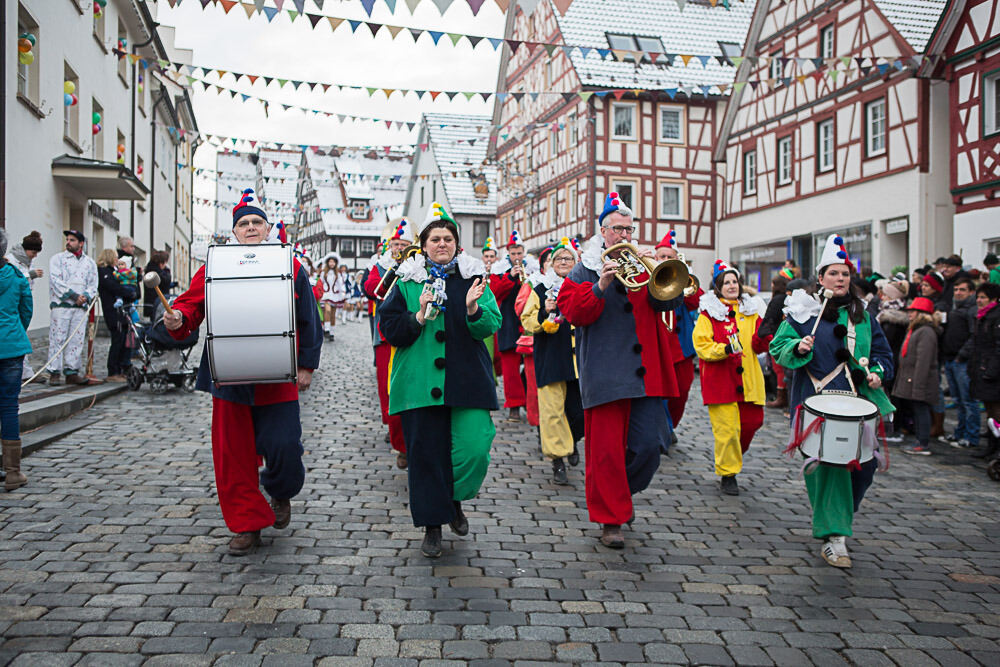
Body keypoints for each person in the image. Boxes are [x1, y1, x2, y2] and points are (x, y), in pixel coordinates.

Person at [163, 188, 323, 556]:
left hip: (278, 375)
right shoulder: (215, 265)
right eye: (243, 223)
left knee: (284, 446)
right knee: (233, 455)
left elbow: (308, 317)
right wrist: (178, 319)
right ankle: (247, 525)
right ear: (234, 232)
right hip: (229, 375)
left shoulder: (290, 264)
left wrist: (306, 365)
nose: (250, 228)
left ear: (267, 229)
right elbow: (190, 307)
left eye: (256, 222)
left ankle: (280, 491)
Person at [558, 193, 682, 549]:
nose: (625, 234)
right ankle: (610, 518)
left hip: (646, 373)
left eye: (629, 228)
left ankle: (619, 495)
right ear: (603, 231)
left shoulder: (642, 265)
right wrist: (601, 285)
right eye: (618, 229)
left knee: (650, 445)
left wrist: (658, 268)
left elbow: (670, 300)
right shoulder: (585, 268)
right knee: (607, 451)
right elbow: (574, 313)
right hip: (607, 373)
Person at [379, 202, 501, 558]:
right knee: (427, 456)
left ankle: (454, 498)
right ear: (424, 244)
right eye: (435, 239)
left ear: (457, 244)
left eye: (448, 238)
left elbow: (492, 324)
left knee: (475, 448)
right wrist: (417, 316)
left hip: (467, 380)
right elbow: (390, 329)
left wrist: (473, 309)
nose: (442, 244)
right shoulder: (406, 280)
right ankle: (432, 526)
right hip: (419, 382)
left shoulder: (474, 276)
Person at [770, 233, 894, 568]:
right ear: (821, 278)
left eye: (845, 274)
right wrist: (798, 347)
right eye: (833, 273)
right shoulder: (802, 311)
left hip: (859, 401)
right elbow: (777, 349)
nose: (840, 279)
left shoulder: (863, 316)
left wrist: (878, 372)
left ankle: (836, 515)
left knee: (864, 468)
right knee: (830, 467)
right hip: (817, 400)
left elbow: (883, 354)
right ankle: (835, 536)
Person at [693, 261, 769, 496]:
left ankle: (733, 459)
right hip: (721, 382)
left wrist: (766, 336)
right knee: (727, 432)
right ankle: (728, 473)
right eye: (726, 282)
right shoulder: (709, 314)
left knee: (752, 422)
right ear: (718, 287)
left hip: (749, 381)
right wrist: (724, 350)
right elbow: (702, 345)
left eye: (734, 281)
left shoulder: (751, 312)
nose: (732, 285)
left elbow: (759, 345)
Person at [520, 238, 584, 485]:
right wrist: (544, 312)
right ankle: (558, 461)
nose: (563, 262)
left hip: (580, 359)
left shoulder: (583, 285)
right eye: (558, 259)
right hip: (551, 356)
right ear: (550, 264)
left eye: (568, 258)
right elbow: (527, 321)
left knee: (578, 413)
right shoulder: (539, 289)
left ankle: (573, 440)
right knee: (552, 411)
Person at [364, 218, 414, 469]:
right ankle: (395, 432)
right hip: (385, 335)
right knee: (388, 386)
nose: (398, 248)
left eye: (403, 244)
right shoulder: (380, 265)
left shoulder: (417, 264)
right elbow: (372, 288)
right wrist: (393, 268)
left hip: (413, 333)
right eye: (395, 244)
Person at [653, 231, 702, 435]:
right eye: (662, 257)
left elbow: (695, 301)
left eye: (669, 257)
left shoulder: (682, 278)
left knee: (681, 392)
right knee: (659, 394)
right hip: (657, 347)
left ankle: (670, 425)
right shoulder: (650, 277)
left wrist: (683, 276)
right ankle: (662, 429)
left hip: (681, 348)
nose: (665, 260)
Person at [0, 228, 32, 491]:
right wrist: (13, 333)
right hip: (11, 347)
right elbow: (26, 311)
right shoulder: (17, 277)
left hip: (10, 344)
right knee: (9, 407)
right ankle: (12, 472)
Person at [46, 230, 98, 386]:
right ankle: (54, 371)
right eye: (67, 239)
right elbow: (56, 281)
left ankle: (71, 371)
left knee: (76, 339)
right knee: (58, 338)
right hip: (62, 306)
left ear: (81, 243)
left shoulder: (89, 263)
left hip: (80, 308)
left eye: (72, 240)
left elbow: (93, 284)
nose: (68, 242)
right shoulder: (57, 259)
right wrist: (74, 296)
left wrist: (85, 297)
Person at [892, 297, 942, 456]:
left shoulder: (925, 332)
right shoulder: (916, 329)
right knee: (917, 409)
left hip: (920, 379)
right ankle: (920, 440)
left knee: (921, 409)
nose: (909, 314)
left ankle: (923, 442)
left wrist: (918, 385)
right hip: (911, 377)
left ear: (921, 313)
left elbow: (923, 361)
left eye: (913, 311)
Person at [490, 230, 529, 421]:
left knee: (531, 367)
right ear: (508, 254)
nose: (516, 257)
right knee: (510, 368)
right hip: (508, 323)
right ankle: (513, 404)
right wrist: (510, 277)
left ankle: (529, 401)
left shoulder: (534, 268)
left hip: (529, 322)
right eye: (513, 253)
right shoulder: (499, 271)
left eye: (519, 253)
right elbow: (494, 292)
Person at [961, 282, 1000, 459]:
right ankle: (991, 446)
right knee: (990, 411)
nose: (979, 300)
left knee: (996, 412)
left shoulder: (995, 317)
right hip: (982, 367)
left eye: (983, 297)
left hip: (992, 370)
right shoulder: (982, 316)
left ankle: (995, 447)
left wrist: (991, 369)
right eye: (978, 297)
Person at [939, 278, 979, 449]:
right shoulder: (954, 308)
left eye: (962, 290)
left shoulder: (972, 311)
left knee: (968, 400)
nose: (958, 293)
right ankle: (960, 433)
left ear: (971, 292)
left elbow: (974, 336)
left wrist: (962, 355)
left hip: (962, 361)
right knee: (958, 400)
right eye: (956, 290)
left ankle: (971, 436)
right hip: (950, 359)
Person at [5, 230, 43, 382]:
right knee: (19, 337)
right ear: (26, 249)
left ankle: (25, 372)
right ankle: (23, 372)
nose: (34, 256)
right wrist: (31, 275)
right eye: (33, 252)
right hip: (12, 303)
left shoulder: (27, 261)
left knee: (22, 337)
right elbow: (13, 279)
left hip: (22, 301)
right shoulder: (10, 260)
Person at [96, 249, 139, 382]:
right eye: (115, 257)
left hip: (121, 311)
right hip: (113, 311)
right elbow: (114, 287)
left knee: (123, 340)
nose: (117, 259)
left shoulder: (114, 272)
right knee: (117, 340)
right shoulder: (104, 272)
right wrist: (128, 292)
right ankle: (113, 371)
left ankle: (121, 368)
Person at [759, 271, 792, 409]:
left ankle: (781, 397)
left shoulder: (778, 300)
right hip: (784, 336)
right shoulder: (786, 299)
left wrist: (767, 334)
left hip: (777, 336)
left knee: (778, 369)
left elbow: (770, 319)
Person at [143, 250, 174, 319]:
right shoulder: (159, 274)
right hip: (158, 304)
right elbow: (166, 281)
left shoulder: (149, 270)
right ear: (161, 263)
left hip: (153, 304)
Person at [319, 254, 340, 340]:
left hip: (335, 295)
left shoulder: (337, 273)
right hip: (326, 295)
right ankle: (326, 329)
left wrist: (342, 294)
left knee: (333, 315)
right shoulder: (323, 272)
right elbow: (320, 282)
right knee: (327, 310)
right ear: (327, 262)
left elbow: (340, 284)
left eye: (333, 262)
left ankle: (332, 333)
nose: (332, 263)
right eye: (330, 261)